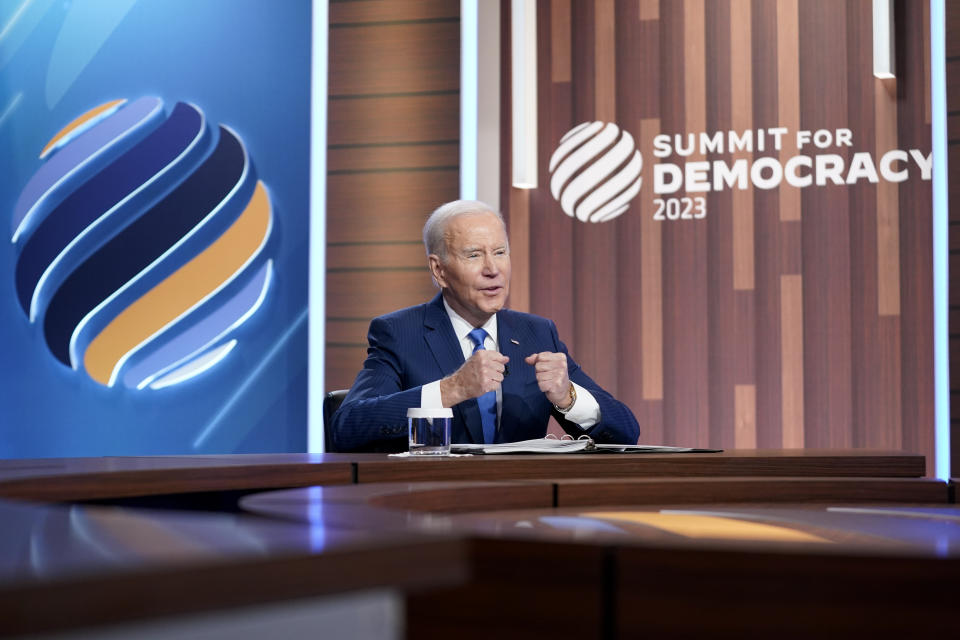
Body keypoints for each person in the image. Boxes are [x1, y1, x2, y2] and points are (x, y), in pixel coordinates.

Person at [330, 200, 640, 452]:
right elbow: (348, 428)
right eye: (474, 255)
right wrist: (452, 389)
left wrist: (569, 397)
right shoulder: (399, 333)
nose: (492, 270)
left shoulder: (536, 333)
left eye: (500, 252)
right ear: (439, 270)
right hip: (433, 510)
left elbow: (626, 431)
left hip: (520, 510)